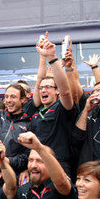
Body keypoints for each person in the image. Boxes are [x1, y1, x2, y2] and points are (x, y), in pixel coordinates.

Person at [30, 34, 77, 174]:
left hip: (59, 164)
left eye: (48, 87)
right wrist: (41, 57)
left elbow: (66, 91)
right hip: (37, 165)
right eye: (41, 88)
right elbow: (39, 79)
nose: (43, 90)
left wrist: (51, 57)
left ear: (56, 92)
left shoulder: (62, 108)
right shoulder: (37, 112)